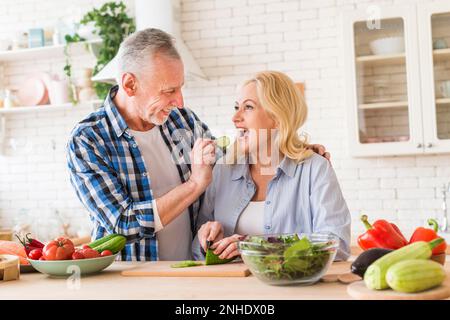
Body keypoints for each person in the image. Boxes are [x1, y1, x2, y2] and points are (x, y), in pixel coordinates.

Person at [66, 28, 331, 261]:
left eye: (180, 88)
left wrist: (293, 148)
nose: (179, 101)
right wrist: (194, 185)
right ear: (130, 83)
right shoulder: (89, 140)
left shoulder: (181, 121)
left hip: (189, 270)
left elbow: (231, 160)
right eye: (169, 91)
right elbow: (123, 224)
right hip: (131, 279)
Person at [193, 71, 351, 262]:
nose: (235, 118)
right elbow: (196, 250)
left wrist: (257, 247)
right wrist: (208, 241)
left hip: (291, 289)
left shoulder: (314, 169)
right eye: (236, 107)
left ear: (277, 117)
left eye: (248, 107)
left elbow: (336, 243)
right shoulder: (222, 171)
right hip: (231, 289)